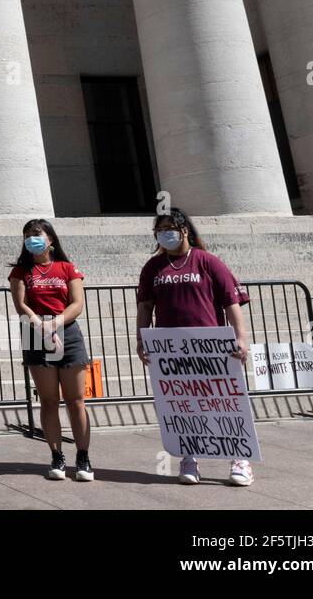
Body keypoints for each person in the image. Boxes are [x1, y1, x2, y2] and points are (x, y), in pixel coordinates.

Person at [136, 207, 254, 487]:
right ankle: (189, 457)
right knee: (183, 406)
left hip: (212, 347)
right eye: (159, 230)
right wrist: (141, 338)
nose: (165, 234)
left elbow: (231, 302)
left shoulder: (208, 261)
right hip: (172, 350)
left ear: (184, 230)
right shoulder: (153, 267)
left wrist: (241, 338)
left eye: (169, 229)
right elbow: (145, 306)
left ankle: (240, 460)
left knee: (225, 404)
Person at [8, 219, 93, 481]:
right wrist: (43, 327)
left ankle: (83, 456)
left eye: (36, 233)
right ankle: (56, 455)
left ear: (50, 239)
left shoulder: (67, 268)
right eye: (27, 234)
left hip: (67, 332)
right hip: (36, 334)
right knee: (48, 400)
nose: (31, 238)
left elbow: (77, 304)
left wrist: (55, 323)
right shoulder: (21, 272)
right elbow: (22, 305)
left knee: (75, 400)